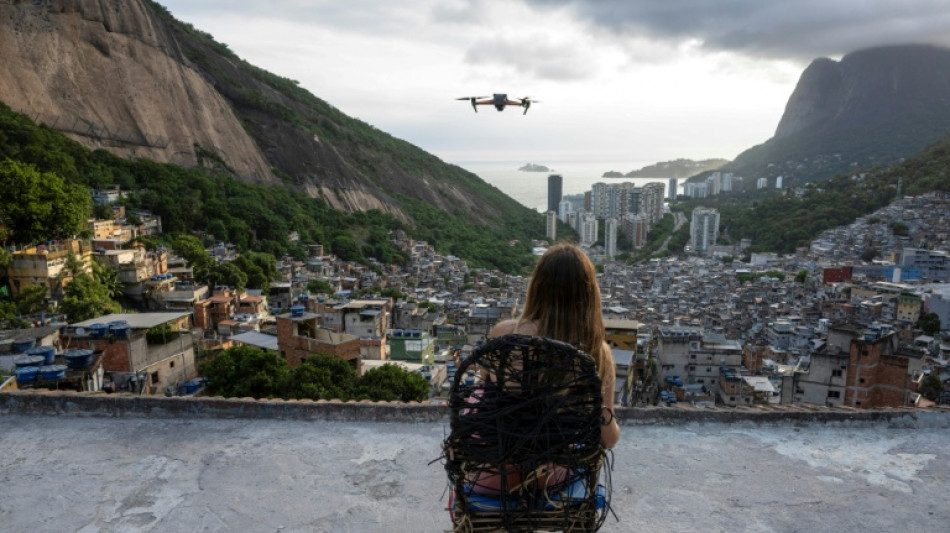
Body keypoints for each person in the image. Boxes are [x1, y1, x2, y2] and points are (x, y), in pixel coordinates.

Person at [488, 243, 621, 450]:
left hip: (500, 467)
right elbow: (608, 439)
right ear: (588, 294)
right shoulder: (597, 352)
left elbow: (482, 397)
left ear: (537, 286)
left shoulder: (503, 335)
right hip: (559, 474)